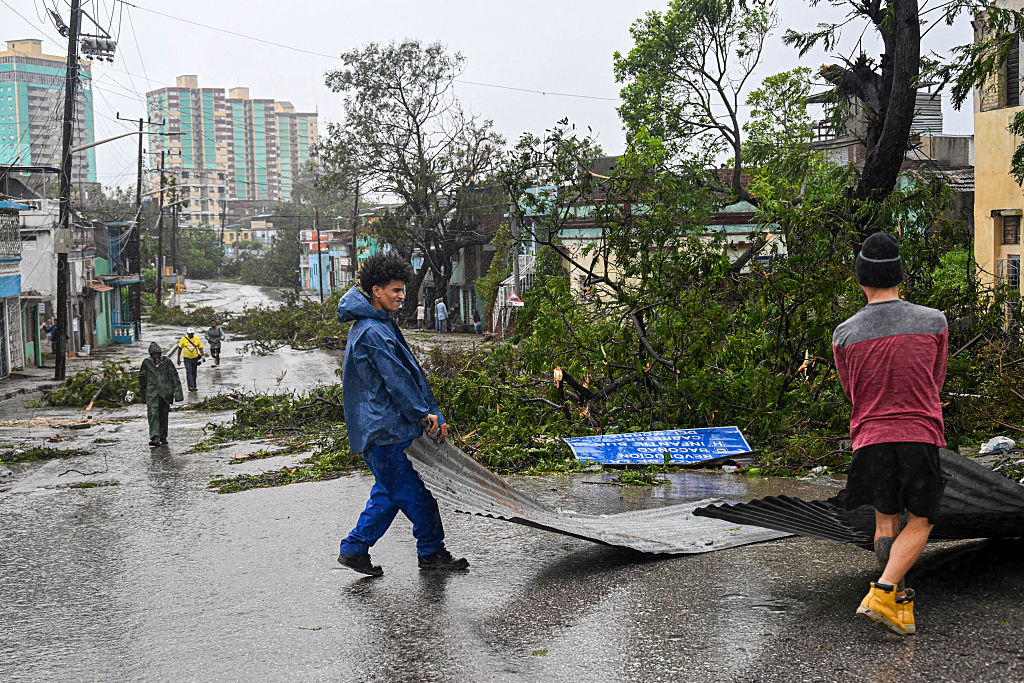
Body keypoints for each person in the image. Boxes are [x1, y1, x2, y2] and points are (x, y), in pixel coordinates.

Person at [832, 232, 948, 636]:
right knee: (922, 519)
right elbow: (936, 381)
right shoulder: (933, 321)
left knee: (886, 523)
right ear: (900, 276)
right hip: (917, 433)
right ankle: (883, 591)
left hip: (871, 438)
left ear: (861, 279)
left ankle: (895, 605)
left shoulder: (844, 334)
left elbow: (852, 391)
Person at [335, 252, 468, 576]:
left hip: (383, 428)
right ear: (376, 290)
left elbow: (410, 374)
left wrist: (430, 410)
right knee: (416, 496)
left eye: (402, 290)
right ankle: (432, 553)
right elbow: (398, 380)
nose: (401, 296)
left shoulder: (379, 324)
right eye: (395, 290)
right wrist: (424, 414)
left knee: (388, 492)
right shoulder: (373, 331)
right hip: (384, 431)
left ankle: (354, 549)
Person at [138, 341, 184, 447]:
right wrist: (143, 394)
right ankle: (154, 436)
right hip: (152, 393)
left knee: (163, 414)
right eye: (154, 354)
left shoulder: (166, 361)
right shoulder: (147, 363)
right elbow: (142, 378)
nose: (156, 356)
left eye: (157, 354)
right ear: (151, 355)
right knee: (153, 413)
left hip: (165, 392)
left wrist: (178, 394)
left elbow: (174, 376)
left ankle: (163, 436)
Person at [175, 327, 205, 392]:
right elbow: (179, 349)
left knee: (194, 372)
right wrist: (178, 359)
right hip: (187, 359)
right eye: (190, 334)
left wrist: (203, 356)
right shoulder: (183, 339)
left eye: (192, 334)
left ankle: (194, 386)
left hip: (195, 358)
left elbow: (200, 348)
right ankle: (190, 386)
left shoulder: (197, 339)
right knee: (189, 371)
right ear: (187, 333)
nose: (191, 335)